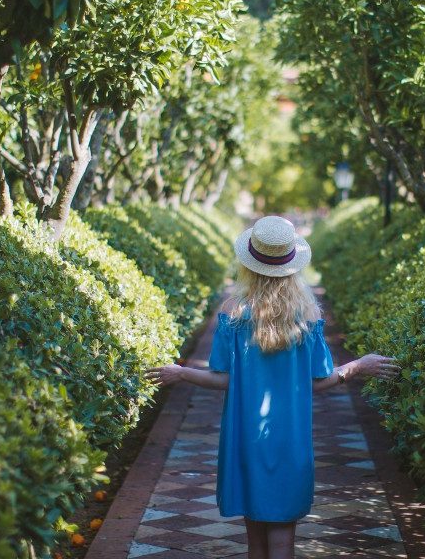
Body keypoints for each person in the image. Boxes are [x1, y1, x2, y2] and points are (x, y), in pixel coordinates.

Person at [144, 214, 400, 559]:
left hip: (245, 437)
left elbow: (224, 378)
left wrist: (182, 373)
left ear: (249, 263)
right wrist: (358, 366)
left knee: (255, 542)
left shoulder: (234, 311)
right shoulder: (308, 314)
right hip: (290, 439)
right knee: (283, 541)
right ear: (292, 264)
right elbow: (319, 381)